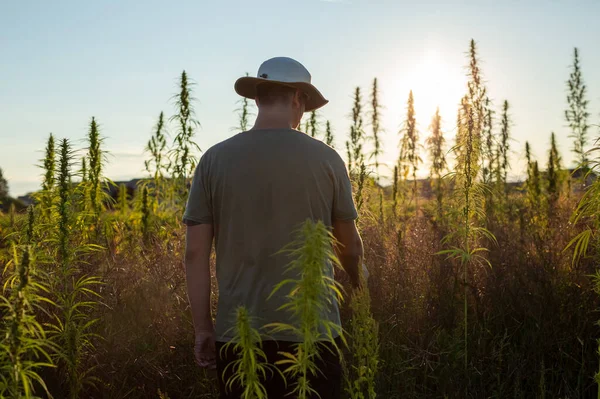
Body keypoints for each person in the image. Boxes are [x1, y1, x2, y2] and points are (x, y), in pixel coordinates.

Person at [183, 56, 364, 399]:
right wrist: (358, 287)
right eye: (305, 105)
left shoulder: (213, 160)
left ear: (257, 98)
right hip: (314, 330)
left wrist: (203, 329)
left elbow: (194, 254)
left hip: (238, 336)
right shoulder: (327, 159)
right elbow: (350, 248)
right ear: (298, 97)